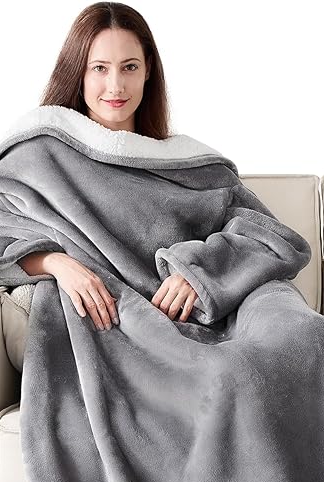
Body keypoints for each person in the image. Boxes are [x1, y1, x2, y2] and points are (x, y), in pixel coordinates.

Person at [18, 1, 197, 330]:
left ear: (147, 70)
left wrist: (198, 273)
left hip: (189, 318)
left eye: (129, 67)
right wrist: (53, 262)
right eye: (100, 68)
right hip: (105, 323)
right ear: (78, 72)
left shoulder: (186, 161)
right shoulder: (41, 155)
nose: (116, 85)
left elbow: (260, 233)